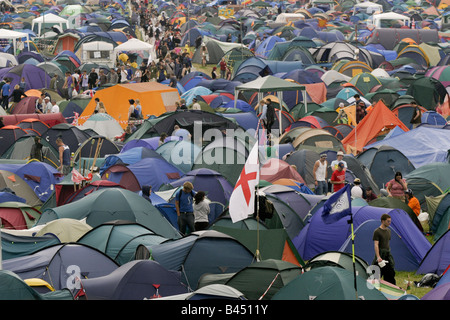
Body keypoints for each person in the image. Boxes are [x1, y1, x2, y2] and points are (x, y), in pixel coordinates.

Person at [372, 213, 396, 285]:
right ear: (383, 221)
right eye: (388, 221)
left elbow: (387, 243)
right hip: (380, 255)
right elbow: (376, 245)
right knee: (376, 274)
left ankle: (390, 288)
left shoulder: (389, 231)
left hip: (387, 254)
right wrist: (378, 257)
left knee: (390, 274)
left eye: (390, 221)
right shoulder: (377, 231)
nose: (389, 223)